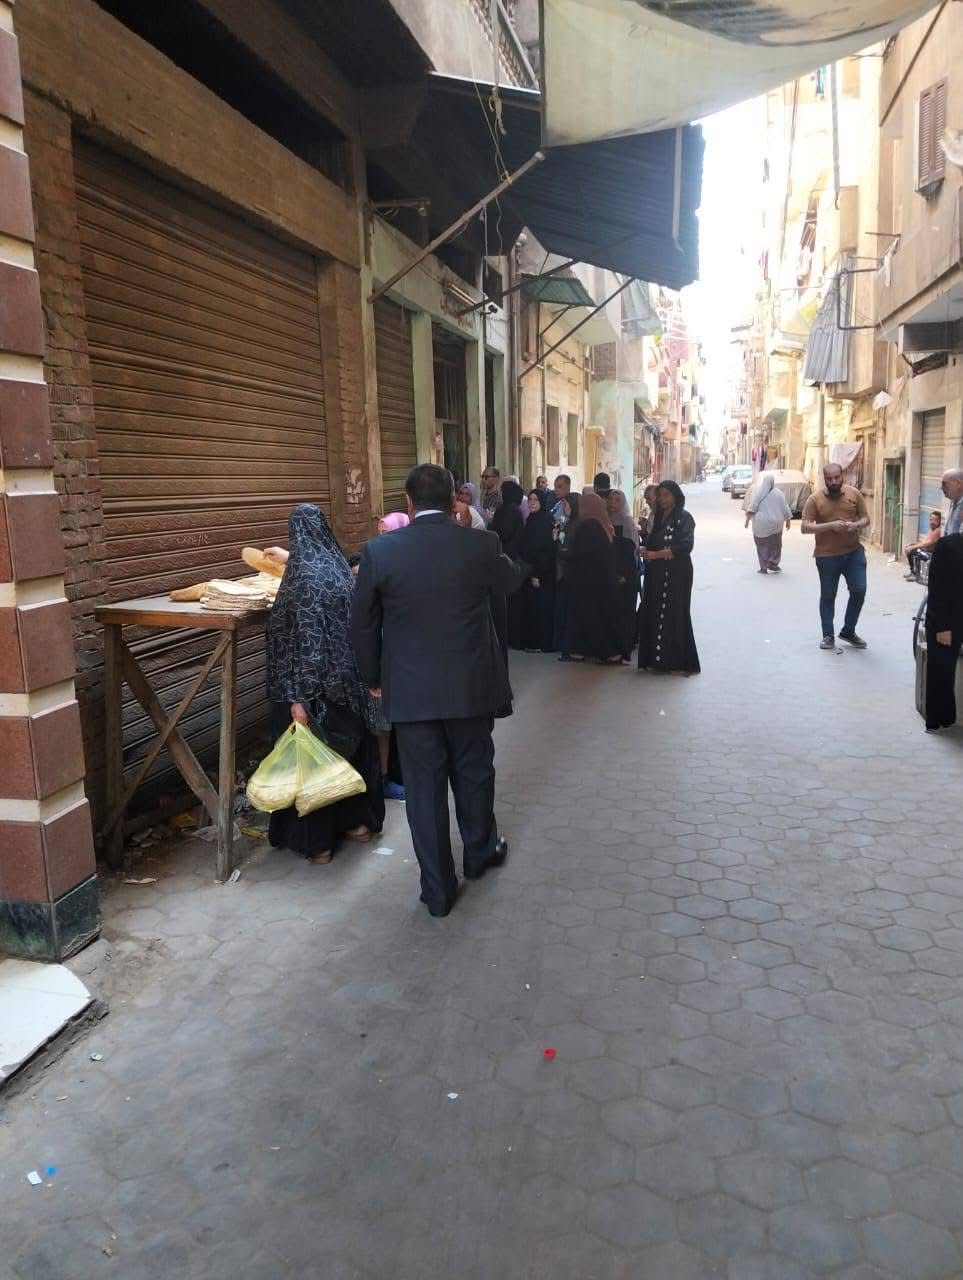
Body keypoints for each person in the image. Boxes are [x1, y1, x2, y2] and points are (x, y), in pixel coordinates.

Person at [352, 464, 521, 918]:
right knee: (474, 771)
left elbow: (362, 624)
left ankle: (438, 890)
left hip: (412, 692)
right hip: (470, 688)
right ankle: (479, 852)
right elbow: (510, 582)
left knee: (424, 790)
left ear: (408, 503)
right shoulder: (481, 544)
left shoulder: (380, 552)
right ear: (454, 501)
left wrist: (373, 679)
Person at [265, 504, 385, 865]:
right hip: (348, 685)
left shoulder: (302, 579)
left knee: (316, 765)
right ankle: (357, 825)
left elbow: (308, 644)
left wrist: (299, 700)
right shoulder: (336, 567)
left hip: (317, 689)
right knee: (347, 753)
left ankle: (319, 845)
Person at [801, 462, 870, 650]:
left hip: (854, 553)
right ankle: (828, 635)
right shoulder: (815, 499)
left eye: (836, 477)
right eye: (829, 478)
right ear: (824, 479)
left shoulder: (854, 494)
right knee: (828, 595)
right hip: (827, 556)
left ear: (842, 476)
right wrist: (831, 526)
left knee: (859, 590)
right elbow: (805, 527)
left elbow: (866, 518)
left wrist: (855, 525)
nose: (833, 481)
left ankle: (848, 631)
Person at [638, 481, 700, 675]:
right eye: (660, 495)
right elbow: (651, 541)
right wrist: (644, 548)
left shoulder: (684, 518)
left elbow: (685, 546)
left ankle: (677, 661)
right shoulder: (658, 517)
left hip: (677, 573)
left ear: (675, 496)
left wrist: (656, 555)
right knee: (655, 611)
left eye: (666, 495)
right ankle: (656, 660)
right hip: (657, 573)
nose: (662, 499)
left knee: (675, 613)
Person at [560, 492, 627, 664]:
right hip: (599, 581)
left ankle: (609, 653)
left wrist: (561, 551)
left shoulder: (589, 526)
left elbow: (580, 553)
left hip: (589, 583)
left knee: (592, 618)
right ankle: (582, 651)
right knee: (596, 617)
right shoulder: (602, 524)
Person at [924, 533, 963, 731]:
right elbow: (937, 588)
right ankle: (936, 718)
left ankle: (948, 716)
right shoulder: (948, 546)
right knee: (941, 671)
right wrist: (942, 626)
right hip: (947, 621)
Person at [519, 489, 557, 651]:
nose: (532, 503)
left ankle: (543, 643)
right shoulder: (532, 519)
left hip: (542, 572)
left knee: (542, 608)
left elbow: (547, 550)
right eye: (530, 500)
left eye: (535, 500)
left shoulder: (545, 520)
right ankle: (534, 642)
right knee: (533, 608)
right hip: (531, 570)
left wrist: (537, 574)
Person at [606, 488, 641, 647]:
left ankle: (627, 642)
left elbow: (632, 550)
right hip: (610, 571)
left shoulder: (627, 521)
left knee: (625, 608)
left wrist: (624, 574)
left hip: (626, 571)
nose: (612, 503)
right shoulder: (605, 518)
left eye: (617, 500)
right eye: (610, 499)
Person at [744, 473, 792, 574]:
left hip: (761, 525)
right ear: (772, 482)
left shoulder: (758, 492)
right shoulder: (778, 493)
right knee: (776, 545)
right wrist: (788, 521)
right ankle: (773, 564)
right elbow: (785, 507)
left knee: (762, 545)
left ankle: (763, 567)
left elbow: (752, 507)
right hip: (776, 525)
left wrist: (747, 521)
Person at [904, 511, 942, 582]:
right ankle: (913, 572)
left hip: (931, 554)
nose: (932, 522)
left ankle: (916, 575)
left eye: (935, 520)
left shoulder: (937, 531)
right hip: (926, 551)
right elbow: (923, 542)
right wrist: (912, 544)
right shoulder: (931, 530)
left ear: (939, 521)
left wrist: (912, 547)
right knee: (910, 548)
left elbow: (925, 544)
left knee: (914, 551)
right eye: (931, 519)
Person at [942, 468, 963, 536]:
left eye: (944, 484)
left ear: (958, 484)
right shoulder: (954, 501)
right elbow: (948, 529)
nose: (942, 488)